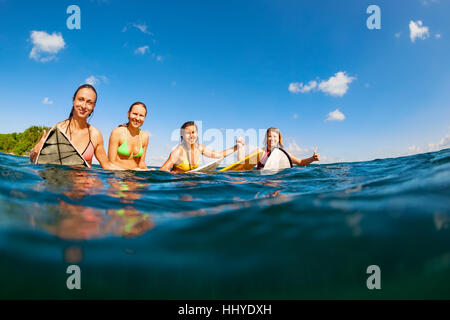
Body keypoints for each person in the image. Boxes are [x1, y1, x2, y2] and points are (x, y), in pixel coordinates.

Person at [29, 84, 122, 170]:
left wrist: (131, 172)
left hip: (84, 185)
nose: (84, 106)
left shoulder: (95, 135)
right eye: (80, 99)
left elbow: (106, 165)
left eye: (89, 102)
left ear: (94, 106)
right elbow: (35, 161)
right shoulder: (59, 129)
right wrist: (35, 151)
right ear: (73, 100)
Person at [159, 121, 245, 173]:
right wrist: (175, 174)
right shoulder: (178, 151)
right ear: (182, 135)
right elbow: (163, 170)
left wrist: (237, 146)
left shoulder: (200, 148)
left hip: (193, 182)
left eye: (193, 132)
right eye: (188, 133)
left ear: (197, 134)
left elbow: (219, 155)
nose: (191, 136)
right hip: (179, 183)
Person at [108, 102, 150, 170]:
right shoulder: (117, 132)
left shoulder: (145, 137)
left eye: (141, 115)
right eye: (135, 114)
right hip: (118, 176)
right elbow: (111, 162)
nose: (137, 118)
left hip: (135, 177)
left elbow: (141, 163)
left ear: (144, 118)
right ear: (128, 114)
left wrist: (150, 171)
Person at [255, 127, 320, 169]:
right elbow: (246, 163)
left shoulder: (284, 154)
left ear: (279, 139)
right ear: (266, 138)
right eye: (269, 136)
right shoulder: (259, 151)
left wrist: (312, 158)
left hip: (277, 179)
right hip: (260, 180)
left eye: (275, 136)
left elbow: (301, 162)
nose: (272, 139)